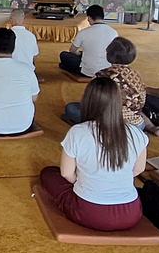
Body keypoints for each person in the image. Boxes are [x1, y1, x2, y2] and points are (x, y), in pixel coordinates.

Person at [39, 77, 149, 231]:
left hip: (89, 213)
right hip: (130, 213)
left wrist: (82, 182)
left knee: (49, 173)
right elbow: (138, 169)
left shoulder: (78, 132)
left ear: (87, 101)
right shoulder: (135, 132)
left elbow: (66, 174)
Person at [63, 37, 145, 127]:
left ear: (109, 55)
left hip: (110, 125)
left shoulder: (102, 75)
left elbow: (90, 101)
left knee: (71, 108)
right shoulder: (136, 74)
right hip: (137, 124)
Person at [59, 5, 118, 77]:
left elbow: (72, 50)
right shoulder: (114, 32)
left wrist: (79, 54)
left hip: (87, 71)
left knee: (64, 55)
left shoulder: (83, 32)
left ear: (89, 18)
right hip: (107, 70)